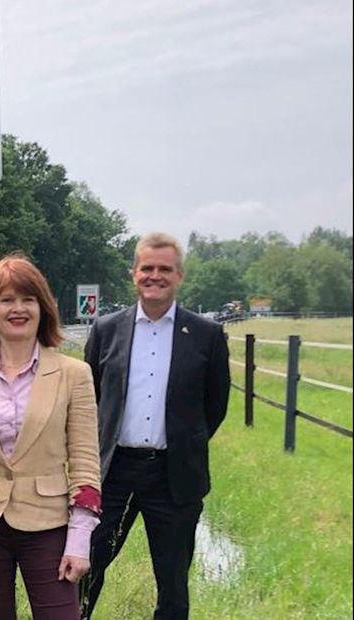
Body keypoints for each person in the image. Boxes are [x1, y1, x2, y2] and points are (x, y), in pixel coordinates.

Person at [0, 254, 101, 620]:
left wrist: (80, 538)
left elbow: (86, 462)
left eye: (28, 299)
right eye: (6, 299)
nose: (18, 308)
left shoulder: (75, 375)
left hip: (50, 526)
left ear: (43, 308)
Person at [80, 232, 230, 620]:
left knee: (173, 586)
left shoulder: (206, 335)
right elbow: (90, 400)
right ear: (134, 273)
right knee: (84, 569)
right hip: (112, 474)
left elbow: (215, 406)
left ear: (179, 275)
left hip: (174, 476)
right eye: (147, 268)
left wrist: (180, 443)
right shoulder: (105, 330)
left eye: (165, 269)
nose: (155, 276)